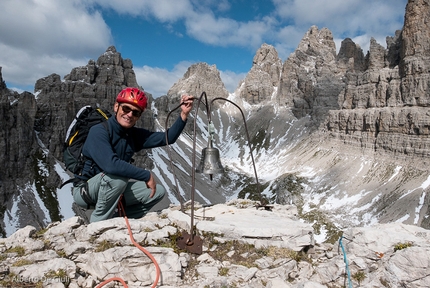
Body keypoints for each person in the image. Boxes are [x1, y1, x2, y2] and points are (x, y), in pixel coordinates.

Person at [72, 87, 193, 223]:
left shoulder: (133, 135)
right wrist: (146, 175)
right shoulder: (99, 131)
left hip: (112, 188)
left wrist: (184, 114)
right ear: (116, 106)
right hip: (86, 191)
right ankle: (98, 225)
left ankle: (121, 222)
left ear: (139, 117)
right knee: (118, 177)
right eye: (126, 109)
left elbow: (168, 137)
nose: (130, 114)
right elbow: (111, 165)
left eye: (135, 112)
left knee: (156, 192)